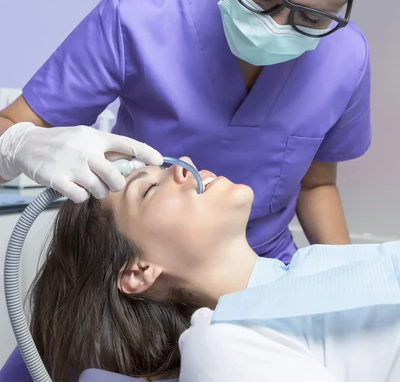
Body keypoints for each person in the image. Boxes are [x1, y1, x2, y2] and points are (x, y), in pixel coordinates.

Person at [0, 0, 382, 263]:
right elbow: (9, 130)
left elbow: (315, 185)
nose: (279, 26)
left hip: (261, 266)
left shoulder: (345, 56)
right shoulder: (139, 15)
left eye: (313, 17)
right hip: (138, 263)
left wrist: (345, 280)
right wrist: (18, 145)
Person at [26, 159, 400, 382]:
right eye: (149, 189)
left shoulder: (313, 271)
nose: (184, 167)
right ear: (140, 271)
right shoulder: (223, 345)